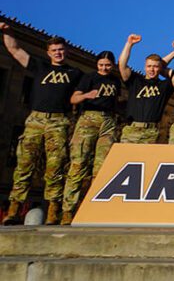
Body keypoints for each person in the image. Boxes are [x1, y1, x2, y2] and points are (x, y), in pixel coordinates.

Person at [1, 23, 82, 226]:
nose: (58, 53)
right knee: (24, 165)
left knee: (55, 168)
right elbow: (14, 49)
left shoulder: (75, 73)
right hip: (35, 120)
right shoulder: (39, 66)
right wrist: (7, 32)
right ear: (48, 53)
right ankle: (14, 210)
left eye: (61, 50)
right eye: (54, 50)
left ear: (67, 51)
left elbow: (77, 96)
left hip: (59, 121)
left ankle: (53, 211)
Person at [60, 50, 121, 225]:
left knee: (102, 167)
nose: (104, 68)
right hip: (88, 119)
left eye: (108, 65)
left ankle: (94, 208)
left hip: (108, 121)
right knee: (79, 163)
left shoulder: (115, 81)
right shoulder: (89, 78)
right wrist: (87, 95)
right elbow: (73, 98)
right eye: (101, 64)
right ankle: (67, 210)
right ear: (97, 64)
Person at [119, 35, 174, 144]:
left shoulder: (165, 85)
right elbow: (122, 65)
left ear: (160, 69)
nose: (152, 69)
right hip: (131, 130)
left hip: (152, 132)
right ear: (145, 67)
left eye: (155, 67)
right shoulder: (135, 81)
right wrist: (129, 44)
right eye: (149, 66)